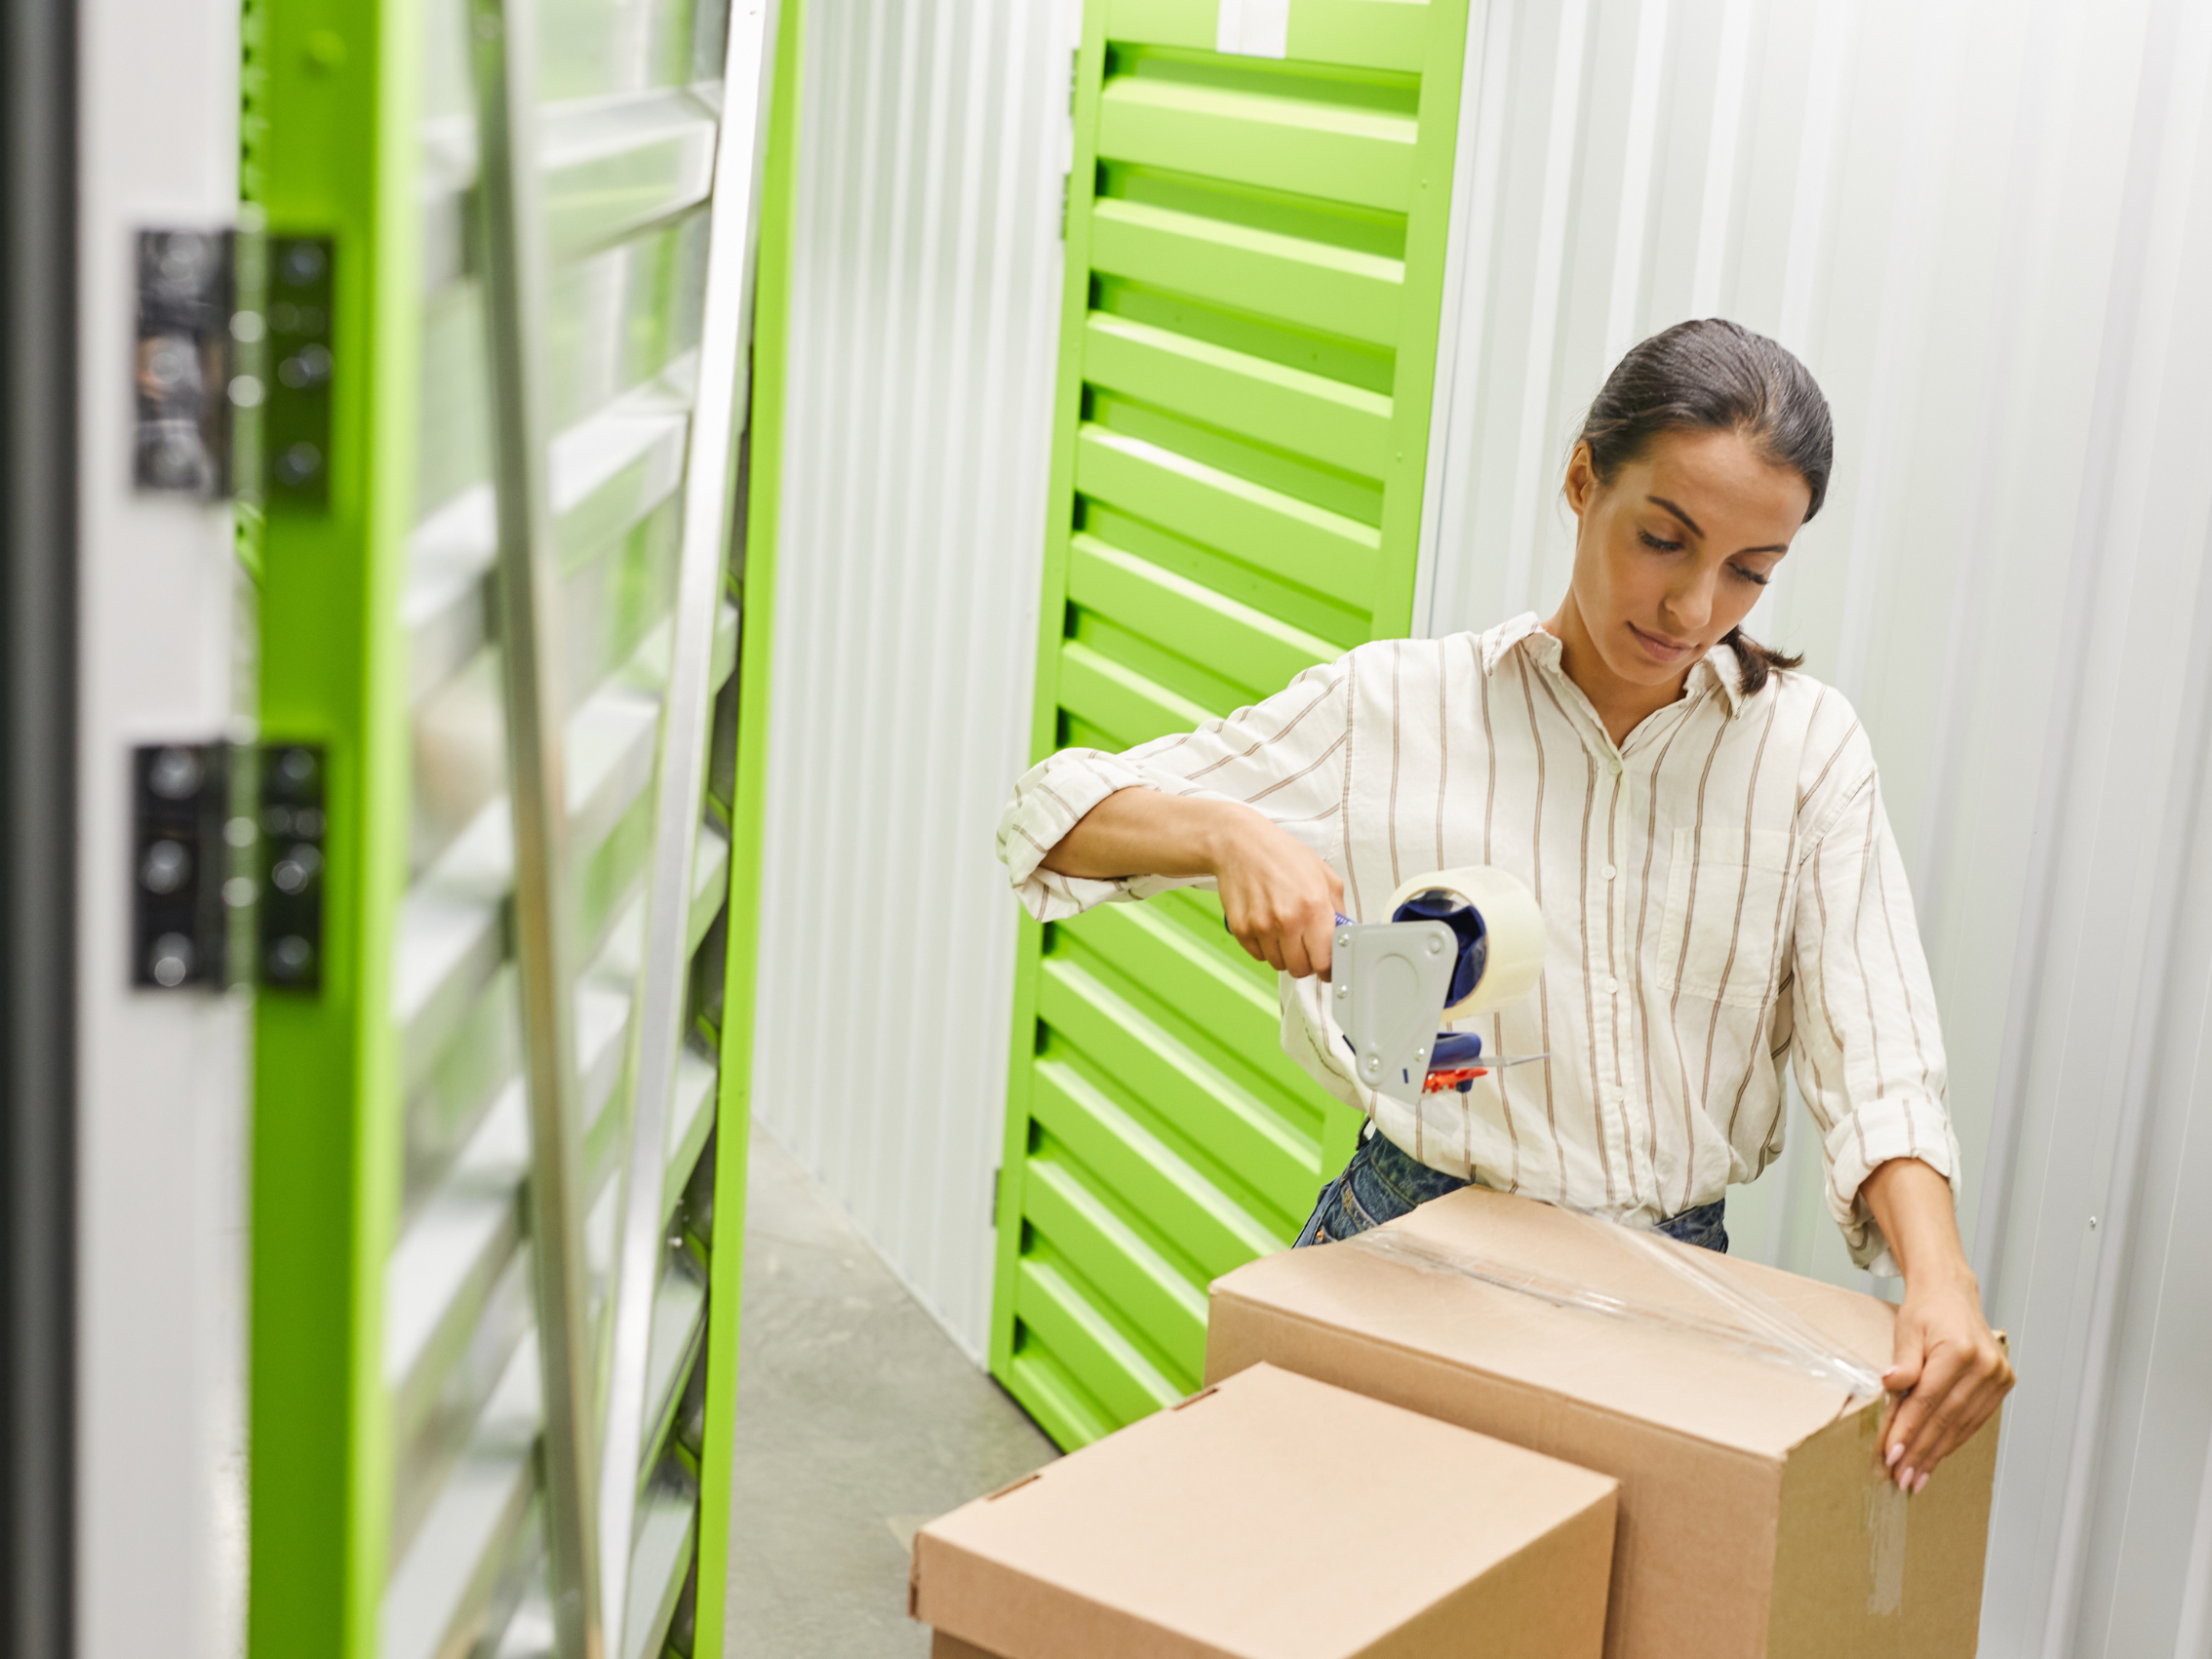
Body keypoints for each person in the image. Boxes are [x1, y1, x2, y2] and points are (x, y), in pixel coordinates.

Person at [995, 318, 2013, 1493]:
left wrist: (1941, 1283)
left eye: (1749, 571)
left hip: (1670, 1291)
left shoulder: (1805, 754)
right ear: (1583, 479)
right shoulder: (1397, 709)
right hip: (1412, 1246)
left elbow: (1872, 1044)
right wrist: (1230, 832)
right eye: (1664, 539)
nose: (1693, 606)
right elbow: (1049, 813)